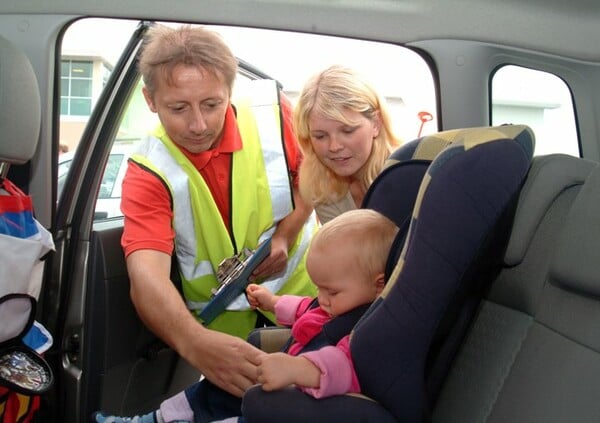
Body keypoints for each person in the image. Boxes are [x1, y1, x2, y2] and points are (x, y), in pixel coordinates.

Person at [119, 22, 318, 403]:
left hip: (312, 305)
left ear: (230, 91)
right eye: (178, 108)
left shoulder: (273, 112)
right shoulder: (147, 170)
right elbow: (146, 277)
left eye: (212, 104)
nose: (198, 125)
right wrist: (195, 343)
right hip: (228, 339)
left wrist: (285, 236)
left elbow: (311, 182)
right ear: (150, 99)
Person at [94, 209, 399, 422]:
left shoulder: (364, 327)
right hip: (284, 377)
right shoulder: (336, 304)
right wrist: (272, 301)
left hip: (304, 398)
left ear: (378, 285)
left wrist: (296, 369)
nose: (322, 298)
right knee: (219, 381)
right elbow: (303, 308)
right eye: (319, 288)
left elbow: (340, 368)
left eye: (331, 292)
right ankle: (157, 418)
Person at [294, 65, 401, 224]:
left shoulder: (405, 177)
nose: (334, 146)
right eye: (320, 136)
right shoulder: (320, 186)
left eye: (348, 131)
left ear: (376, 124)